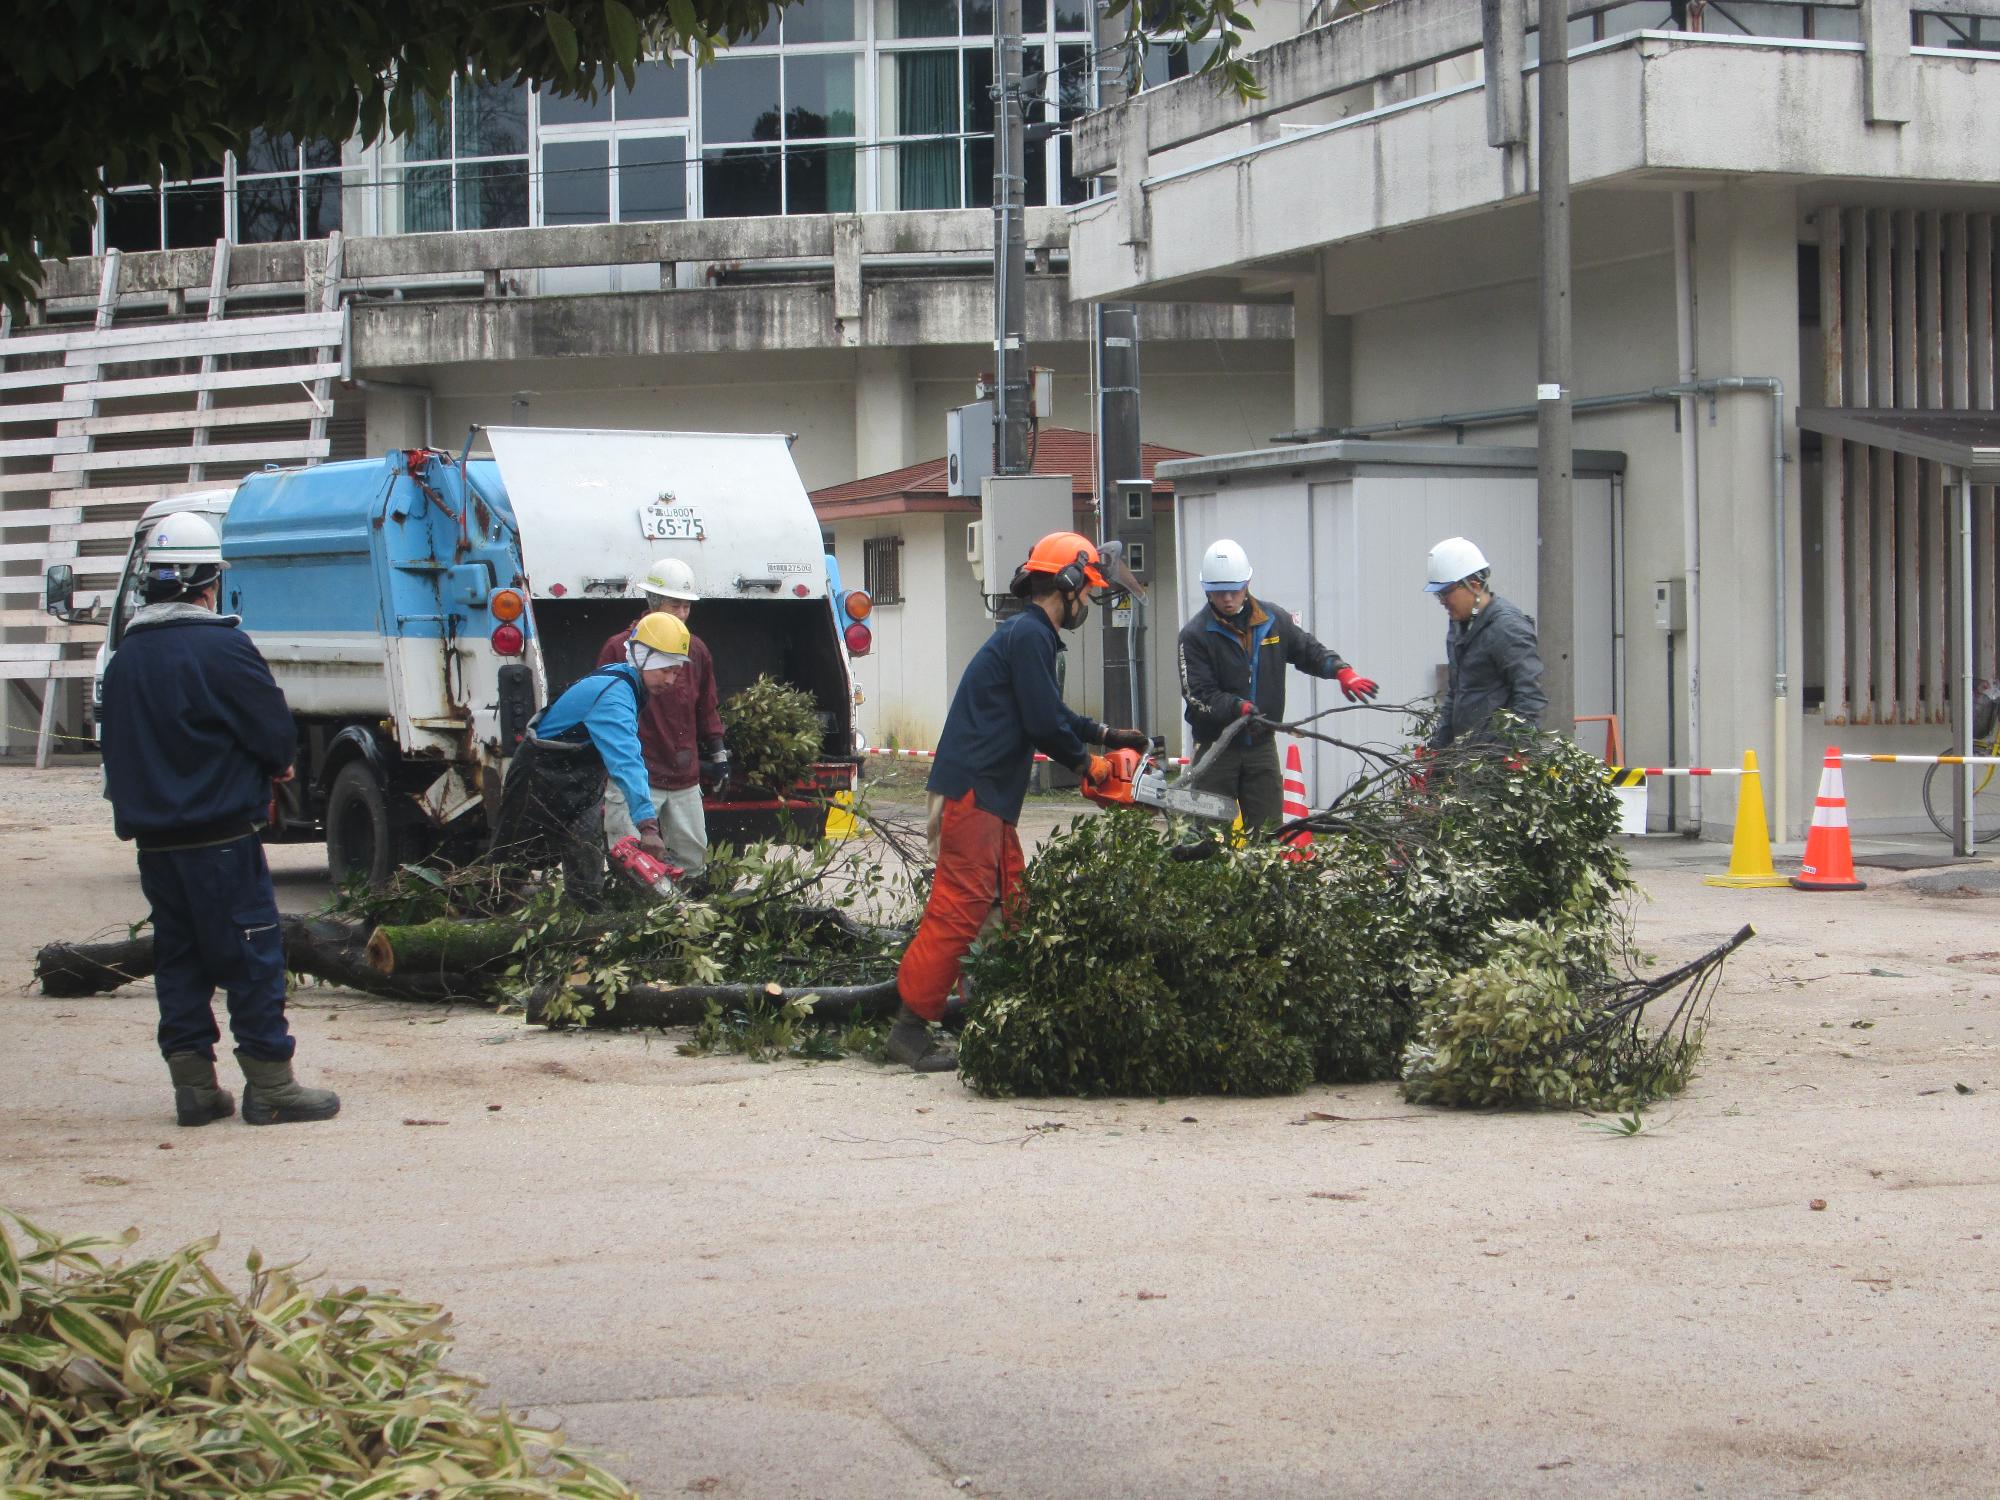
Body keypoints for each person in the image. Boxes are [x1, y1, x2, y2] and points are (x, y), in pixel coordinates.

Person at [98, 512, 340, 1127]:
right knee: (253, 956)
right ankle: (271, 1087)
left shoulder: (126, 656)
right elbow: (273, 736)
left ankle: (195, 1090)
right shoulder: (223, 647)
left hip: (156, 844)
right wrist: (278, 766)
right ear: (208, 583)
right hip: (221, 838)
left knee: (178, 958)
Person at [889, 531, 1150, 1072]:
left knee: (1008, 905)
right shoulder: (1030, 635)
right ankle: (908, 1030)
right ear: (1069, 584)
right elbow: (1044, 725)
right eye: (1086, 592)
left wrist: (1108, 735)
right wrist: (1090, 764)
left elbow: (1050, 713)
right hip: (975, 788)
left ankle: (987, 1010)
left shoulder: (1029, 634)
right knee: (962, 906)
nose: (1085, 605)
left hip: (988, 792)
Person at [1176, 539, 1378, 828]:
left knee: (1269, 834)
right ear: (1207, 591)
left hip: (1260, 745)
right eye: (1218, 593)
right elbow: (1198, 695)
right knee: (1210, 839)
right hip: (1215, 749)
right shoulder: (1195, 635)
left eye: (1233, 590)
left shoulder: (1273, 621)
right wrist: (1237, 707)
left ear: (1247, 583)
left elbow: (1307, 650)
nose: (1228, 599)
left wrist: (1341, 671)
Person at [491, 612, 689, 891]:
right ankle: (484, 916)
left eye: (676, 671)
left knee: (586, 863)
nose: (670, 680)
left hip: (579, 782)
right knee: (508, 865)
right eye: (664, 670)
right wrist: (648, 826)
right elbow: (627, 761)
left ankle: (587, 922)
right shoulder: (614, 696)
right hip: (538, 777)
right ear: (642, 659)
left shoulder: (627, 683)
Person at [596, 558, 725, 879]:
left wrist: (718, 752)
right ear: (652, 604)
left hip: (683, 778)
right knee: (633, 867)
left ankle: (687, 923)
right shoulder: (619, 649)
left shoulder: (696, 651)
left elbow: (706, 706)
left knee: (692, 864)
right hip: (635, 777)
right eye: (674, 606)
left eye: (686, 607)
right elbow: (604, 717)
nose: (682, 614)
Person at [1424, 536, 1547, 750]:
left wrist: (1518, 752)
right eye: (1438, 595)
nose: (1442, 601)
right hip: (1468, 756)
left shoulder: (1507, 628)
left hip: (1499, 762)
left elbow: (1530, 696)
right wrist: (1437, 750)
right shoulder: (1458, 626)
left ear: (1473, 585)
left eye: (1445, 593)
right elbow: (1456, 692)